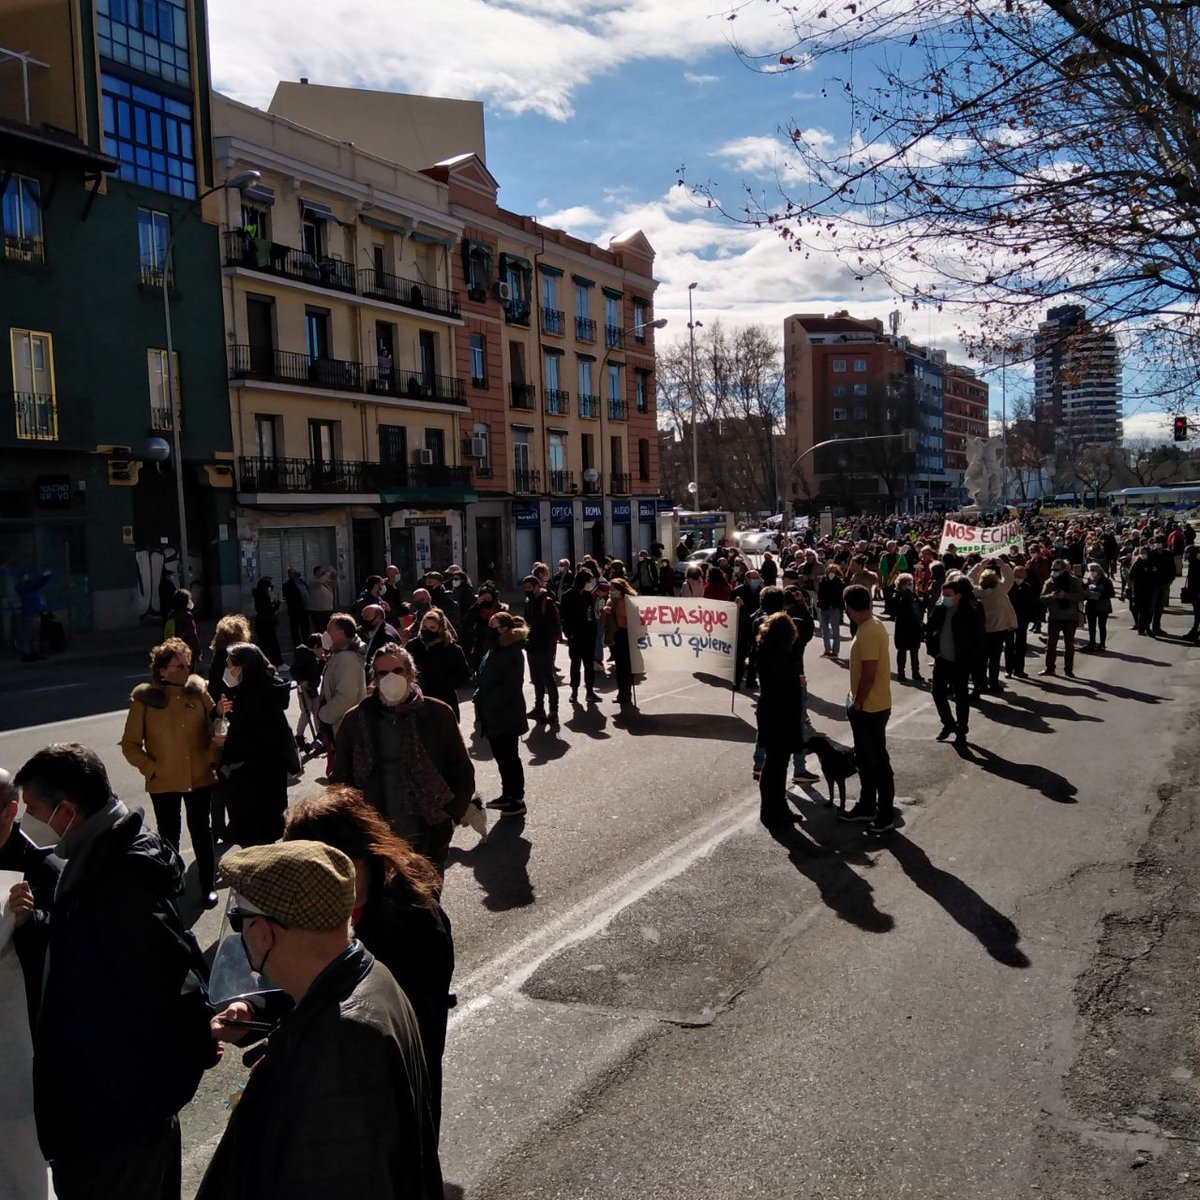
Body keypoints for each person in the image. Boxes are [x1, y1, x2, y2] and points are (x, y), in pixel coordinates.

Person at [14, 744, 216, 1200]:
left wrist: (167, 1081)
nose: (28, 820)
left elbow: (171, 983)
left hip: (118, 1116)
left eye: (34, 809)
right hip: (114, 1106)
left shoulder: (117, 880)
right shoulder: (99, 855)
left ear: (67, 810)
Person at [198, 840, 442, 1200]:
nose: (240, 934)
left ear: (265, 932)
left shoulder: (342, 1048)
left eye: (239, 921)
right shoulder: (364, 977)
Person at [284, 787, 455, 1135]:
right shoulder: (340, 908)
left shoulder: (411, 921)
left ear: (353, 863)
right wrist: (254, 1011)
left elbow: (405, 1029)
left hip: (393, 1094)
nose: (306, 884)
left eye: (313, 871)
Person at [331, 644, 473, 871]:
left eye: (397, 671)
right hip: (377, 834)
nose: (390, 678)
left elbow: (462, 769)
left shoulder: (437, 713)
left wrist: (451, 812)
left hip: (429, 828)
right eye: (383, 673)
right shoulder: (356, 720)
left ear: (411, 674)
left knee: (428, 897)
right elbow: (341, 777)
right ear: (374, 679)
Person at [120, 637, 220, 908]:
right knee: (169, 835)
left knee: (202, 830)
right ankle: (171, 887)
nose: (184, 670)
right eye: (177, 666)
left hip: (200, 776)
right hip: (164, 781)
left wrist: (213, 751)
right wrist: (151, 768)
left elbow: (217, 725)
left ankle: (207, 885)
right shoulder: (145, 699)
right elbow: (130, 744)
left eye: (187, 665)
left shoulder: (199, 692)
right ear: (161, 670)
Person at [0, 769, 59, 1200]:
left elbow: (68, 942)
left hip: (23, 1027)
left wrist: (30, 920)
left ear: (10, 812)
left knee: (20, 1125)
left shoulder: (41, 868)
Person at [215, 642, 293, 846]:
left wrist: (226, 742)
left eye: (230, 664)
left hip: (252, 781)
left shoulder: (252, 696)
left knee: (254, 842)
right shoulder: (266, 689)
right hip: (271, 778)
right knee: (267, 836)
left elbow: (250, 739)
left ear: (242, 667)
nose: (227, 669)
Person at [841, 584, 896, 833]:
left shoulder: (869, 631)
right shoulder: (867, 626)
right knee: (864, 760)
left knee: (877, 763)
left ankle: (885, 814)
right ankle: (866, 805)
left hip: (871, 707)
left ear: (848, 608)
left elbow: (869, 673)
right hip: (865, 704)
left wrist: (859, 702)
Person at [754, 611, 806, 835]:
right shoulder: (778, 656)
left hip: (770, 712)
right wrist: (796, 680)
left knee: (777, 764)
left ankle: (778, 806)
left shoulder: (766, 650)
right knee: (776, 764)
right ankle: (771, 809)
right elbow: (782, 686)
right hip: (780, 714)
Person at [474, 612, 530, 818]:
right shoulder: (494, 648)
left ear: (505, 628)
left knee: (509, 757)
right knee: (501, 757)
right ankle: (508, 794)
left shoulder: (512, 651)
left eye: (495, 626)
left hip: (506, 712)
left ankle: (517, 798)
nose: (491, 629)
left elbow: (511, 685)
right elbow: (484, 676)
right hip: (493, 712)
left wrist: (489, 701)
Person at [926, 576, 986, 744]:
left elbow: (980, 637)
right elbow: (930, 629)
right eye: (943, 594)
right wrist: (933, 651)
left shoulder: (970, 611)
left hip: (961, 661)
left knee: (961, 697)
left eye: (948, 594)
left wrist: (970, 658)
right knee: (937, 693)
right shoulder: (940, 609)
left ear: (958, 595)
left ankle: (961, 729)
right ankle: (948, 723)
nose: (945, 597)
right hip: (942, 659)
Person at [317, 613, 368, 775]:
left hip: (343, 727)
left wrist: (323, 715)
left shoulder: (347, 659)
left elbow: (347, 696)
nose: (326, 634)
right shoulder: (339, 654)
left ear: (341, 633)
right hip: (340, 727)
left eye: (329, 630)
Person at [406, 607, 472, 718]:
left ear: (440, 629)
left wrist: (444, 685)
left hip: (444, 700)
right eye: (424, 627)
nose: (426, 630)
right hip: (417, 700)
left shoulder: (452, 649)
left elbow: (463, 675)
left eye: (432, 627)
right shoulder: (413, 646)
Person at [968, 556, 1017, 694]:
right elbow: (1010, 579)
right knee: (995, 658)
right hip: (999, 629)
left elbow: (969, 580)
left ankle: (982, 684)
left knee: (982, 659)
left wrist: (979, 566)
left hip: (982, 630)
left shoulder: (977, 593)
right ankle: (994, 684)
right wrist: (1004, 565)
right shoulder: (1000, 590)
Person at [523, 572, 562, 727]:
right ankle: (539, 707)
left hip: (545, 646)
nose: (527, 590)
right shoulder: (528, 601)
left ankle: (553, 711)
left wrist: (548, 642)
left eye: (529, 587)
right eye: (525, 587)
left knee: (548, 678)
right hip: (531, 645)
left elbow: (554, 625)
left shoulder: (547, 601)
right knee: (536, 679)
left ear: (537, 586)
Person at [1039, 558, 1085, 677]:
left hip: (1070, 617)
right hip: (1054, 617)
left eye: (1057, 569)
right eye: (1053, 569)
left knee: (1069, 645)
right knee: (1051, 645)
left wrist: (1066, 595)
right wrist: (1052, 596)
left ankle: (1068, 669)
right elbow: (1042, 598)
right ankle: (1049, 668)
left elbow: (1081, 596)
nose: (1054, 571)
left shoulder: (1074, 581)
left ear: (1064, 569)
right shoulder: (1050, 582)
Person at [561, 568, 600, 703]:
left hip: (588, 634)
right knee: (575, 664)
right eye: (589, 581)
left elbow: (591, 614)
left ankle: (590, 691)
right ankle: (574, 692)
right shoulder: (567, 595)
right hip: (575, 635)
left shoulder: (587, 595)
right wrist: (568, 633)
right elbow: (564, 617)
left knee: (589, 665)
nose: (591, 584)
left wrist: (594, 630)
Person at [604, 577, 639, 706]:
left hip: (627, 634)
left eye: (613, 589)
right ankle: (621, 694)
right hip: (617, 634)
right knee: (620, 667)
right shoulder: (612, 600)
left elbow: (633, 618)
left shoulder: (628, 602)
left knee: (627, 666)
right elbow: (605, 612)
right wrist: (607, 609)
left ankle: (627, 693)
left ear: (620, 590)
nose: (611, 592)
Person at [291, 633, 325, 752]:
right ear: (316, 646)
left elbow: (318, 672)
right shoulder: (304, 656)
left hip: (313, 688)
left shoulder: (315, 657)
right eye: (321, 648)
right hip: (306, 688)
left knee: (317, 711)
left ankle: (320, 735)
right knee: (306, 712)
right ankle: (299, 736)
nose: (323, 651)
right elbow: (294, 669)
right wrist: (301, 680)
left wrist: (321, 661)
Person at [891, 572, 925, 682]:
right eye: (908, 583)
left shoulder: (912, 594)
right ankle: (901, 673)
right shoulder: (897, 594)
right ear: (902, 584)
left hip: (914, 626)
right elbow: (896, 609)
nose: (910, 585)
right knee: (902, 651)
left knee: (914, 651)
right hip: (903, 626)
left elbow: (921, 606)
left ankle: (916, 672)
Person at [16, 567, 52, 661]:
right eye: (25, 577)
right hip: (28, 615)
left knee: (34, 636)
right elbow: (36, 584)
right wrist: (43, 577)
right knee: (27, 636)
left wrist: (45, 578)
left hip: (34, 614)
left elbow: (38, 584)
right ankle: (26, 654)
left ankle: (33, 652)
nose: (27, 578)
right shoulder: (22, 587)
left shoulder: (30, 587)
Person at [163, 587, 202, 668]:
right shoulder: (186, 615)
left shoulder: (171, 614)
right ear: (185, 602)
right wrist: (198, 652)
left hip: (174, 649)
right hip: (186, 651)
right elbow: (192, 634)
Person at [1083, 560, 1115, 650]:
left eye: (1093, 570)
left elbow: (1111, 593)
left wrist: (1100, 595)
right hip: (1091, 606)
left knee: (1102, 626)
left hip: (1102, 606)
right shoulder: (1089, 580)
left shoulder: (1106, 581)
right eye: (1090, 570)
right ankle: (1092, 643)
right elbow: (1084, 589)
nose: (1092, 572)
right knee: (1091, 626)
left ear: (1099, 570)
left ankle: (1102, 644)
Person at [252, 576, 283, 666]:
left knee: (263, 643)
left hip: (261, 622)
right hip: (266, 622)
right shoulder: (263, 596)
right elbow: (268, 610)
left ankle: (261, 661)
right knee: (271, 643)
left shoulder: (259, 595)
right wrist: (276, 605)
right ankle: (278, 662)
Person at [817, 562, 846, 658]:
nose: (831, 573)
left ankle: (835, 651)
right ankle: (827, 650)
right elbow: (820, 594)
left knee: (835, 631)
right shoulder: (823, 580)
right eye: (830, 571)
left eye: (834, 571)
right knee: (824, 631)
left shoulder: (839, 582)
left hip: (834, 608)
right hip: (824, 607)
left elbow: (839, 595)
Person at [281, 568, 310, 649]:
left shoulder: (302, 583)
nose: (293, 575)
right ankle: (297, 644)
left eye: (294, 573)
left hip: (304, 609)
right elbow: (286, 597)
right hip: (294, 609)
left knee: (305, 626)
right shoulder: (287, 585)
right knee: (295, 627)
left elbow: (307, 591)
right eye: (291, 573)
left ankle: (306, 641)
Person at [309, 564, 337, 632]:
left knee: (328, 629)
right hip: (318, 611)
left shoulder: (325, 582)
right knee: (320, 629)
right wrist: (328, 573)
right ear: (317, 572)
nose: (324, 573)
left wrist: (333, 575)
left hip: (328, 610)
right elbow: (320, 582)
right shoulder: (313, 582)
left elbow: (334, 584)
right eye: (322, 572)